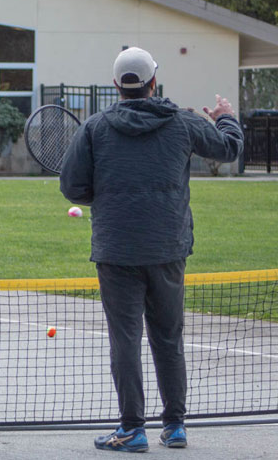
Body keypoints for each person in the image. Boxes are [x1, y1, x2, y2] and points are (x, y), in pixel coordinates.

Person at [59, 47, 243, 453]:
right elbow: (229, 149)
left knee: (125, 341)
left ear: (115, 87)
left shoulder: (95, 127)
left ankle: (131, 429)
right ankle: (174, 426)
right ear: (153, 83)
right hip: (168, 248)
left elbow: (72, 187)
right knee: (168, 338)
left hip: (116, 250)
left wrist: (101, 197)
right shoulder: (181, 122)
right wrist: (226, 115)